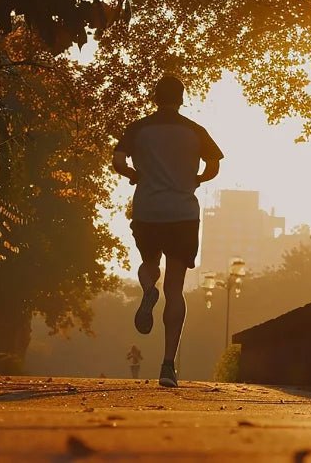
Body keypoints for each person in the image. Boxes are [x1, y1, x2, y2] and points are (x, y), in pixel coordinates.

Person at [112, 75, 223, 387]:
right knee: (175, 288)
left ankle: (149, 289)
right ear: (182, 98)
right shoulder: (195, 131)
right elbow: (214, 164)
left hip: (148, 210)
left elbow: (117, 160)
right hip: (183, 214)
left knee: (149, 265)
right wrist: (196, 179)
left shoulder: (139, 128)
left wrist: (134, 174)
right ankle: (167, 365)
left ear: (154, 98)